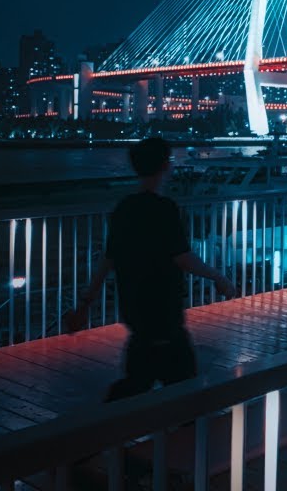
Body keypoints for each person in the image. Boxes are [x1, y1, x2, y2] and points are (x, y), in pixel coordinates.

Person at [71, 137, 238, 401]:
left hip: (134, 305)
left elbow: (108, 259)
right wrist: (219, 277)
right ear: (164, 166)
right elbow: (182, 257)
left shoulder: (124, 208)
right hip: (162, 306)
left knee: (140, 377)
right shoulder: (165, 209)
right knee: (181, 386)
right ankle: (109, 427)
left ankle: (110, 426)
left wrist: (85, 304)